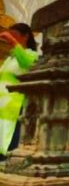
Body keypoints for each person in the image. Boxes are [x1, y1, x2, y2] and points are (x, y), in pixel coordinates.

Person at [0, 23, 38, 157]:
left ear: (26, 36)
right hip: (2, 106)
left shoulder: (32, 55)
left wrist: (12, 41)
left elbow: (28, 64)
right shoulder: (10, 58)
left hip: (15, 106)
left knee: (9, 143)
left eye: (15, 35)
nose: (11, 38)